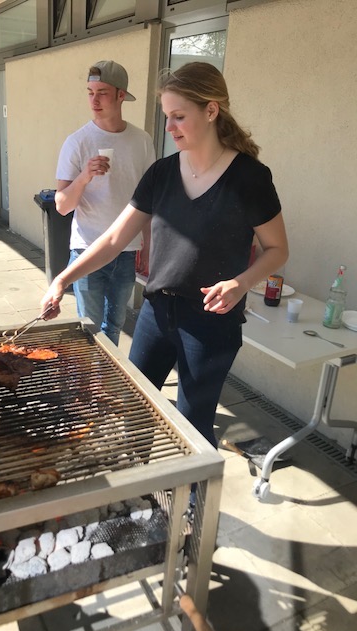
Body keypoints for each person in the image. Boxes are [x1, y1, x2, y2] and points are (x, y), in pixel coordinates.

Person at [41, 62, 288, 448]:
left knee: (193, 429)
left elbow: (277, 249)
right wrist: (62, 279)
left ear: (211, 110)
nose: (169, 127)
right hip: (156, 314)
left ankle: (194, 488)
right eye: (166, 116)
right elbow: (113, 240)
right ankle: (136, 481)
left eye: (179, 116)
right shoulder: (162, 173)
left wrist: (240, 284)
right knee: (136, 409)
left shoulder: (249, 178)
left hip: (211, 323)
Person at [55, 60, 156, 346]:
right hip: (86, 248)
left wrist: (147, 245)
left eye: (102, 93)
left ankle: (103, 374)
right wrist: (84, 177)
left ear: (121, 95)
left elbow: (148, 199)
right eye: (90, 92)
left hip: (127, 250)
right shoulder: (77, 142)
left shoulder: (142, 140)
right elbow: (62, 205)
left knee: (114, 326)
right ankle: (89, 375)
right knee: (88, 330)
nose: (94, 100)